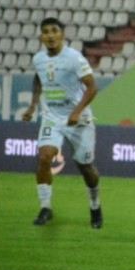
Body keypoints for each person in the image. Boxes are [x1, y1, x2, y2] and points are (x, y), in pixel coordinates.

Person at [22, 17, 103, 228]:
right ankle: (45, 208)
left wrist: (77, 111)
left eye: (54, 31)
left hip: (80, 120)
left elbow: (92, 87)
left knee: (86, 167)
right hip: (53, 117)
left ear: (62, 35)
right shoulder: (38, 59)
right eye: (45, 31)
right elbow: (39, 78)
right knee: (44, 157)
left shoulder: (74, 59)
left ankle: (95, 206)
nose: (50, 35)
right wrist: (32, 106)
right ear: (41, 36)